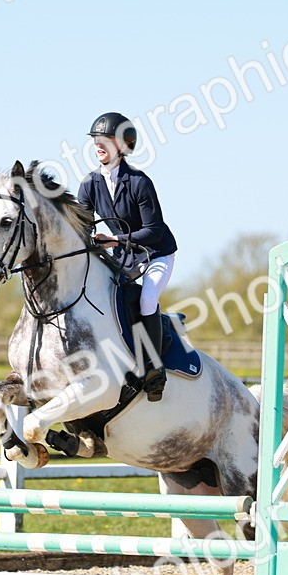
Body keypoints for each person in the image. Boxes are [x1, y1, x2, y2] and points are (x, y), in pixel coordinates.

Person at [76, 111, 178, 401]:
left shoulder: (139, 182)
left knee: (146, 299)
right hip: (124, 258)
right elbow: (83, 225)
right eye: (96, 140)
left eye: (105, 140)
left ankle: (154, 369)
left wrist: (115, 240)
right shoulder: (90, 183)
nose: (98, 145)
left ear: (122, 146)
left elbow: (154, 231)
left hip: (157, 254)